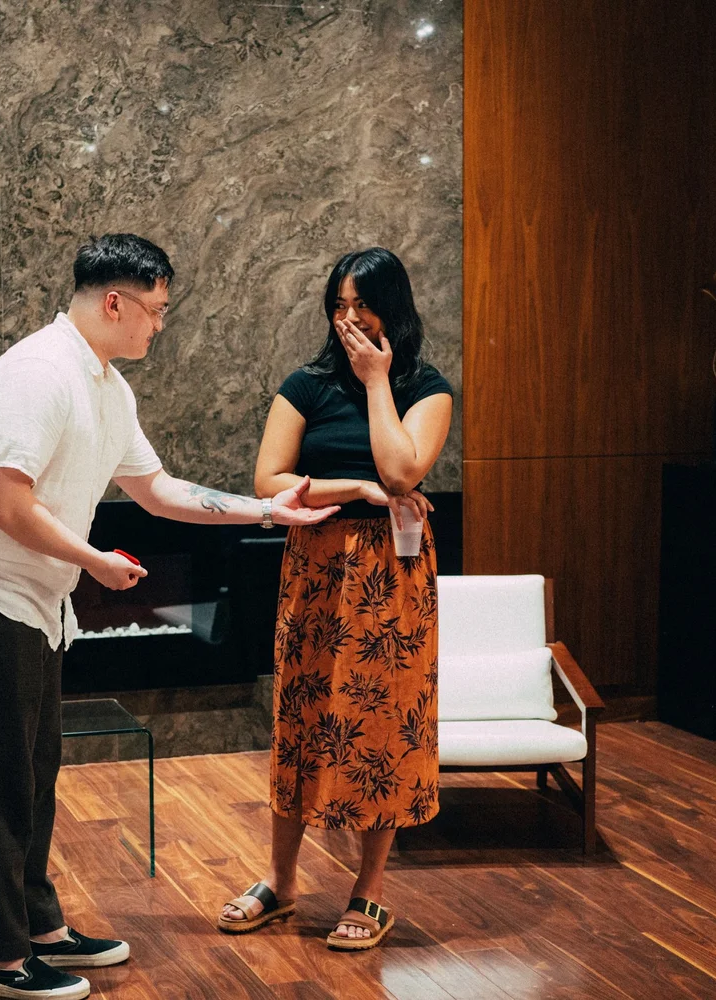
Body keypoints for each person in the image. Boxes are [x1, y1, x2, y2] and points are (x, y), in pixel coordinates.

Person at [0, 233, 338, 1000]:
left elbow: (159, 490)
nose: (160, 325)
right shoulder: (38, 373)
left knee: (36, 773)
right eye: (156, 309)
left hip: (33, 599)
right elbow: (3, 502)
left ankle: (39, 927)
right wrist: (93, 560)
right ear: (115, 302)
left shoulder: (107, 386)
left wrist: (267, 512)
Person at [219, 247, 453, 951]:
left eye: (364, 305)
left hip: (392, 573)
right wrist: (353, 489)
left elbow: (403, 470)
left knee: (381, 723)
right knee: (302, 712)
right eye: (339, 305)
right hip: (316, 563)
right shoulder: (306, 385)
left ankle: (369, 890)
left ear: (394, 309)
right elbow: (269, 481)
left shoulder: (426, 388)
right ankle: (281, 881)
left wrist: (378, 381)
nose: (349, 319)